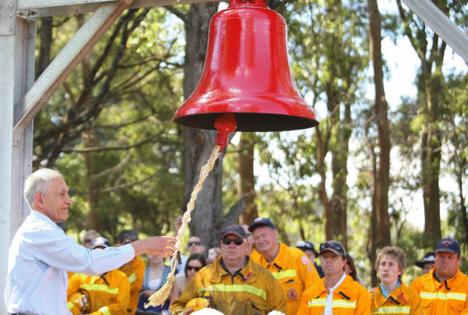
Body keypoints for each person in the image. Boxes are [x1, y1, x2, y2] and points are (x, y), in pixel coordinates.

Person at [4, 168, 176, 314]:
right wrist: (144, 245)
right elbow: (89, 262)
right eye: (62, 194)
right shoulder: (39, 231)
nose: (69, 201)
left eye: (68, 194)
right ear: (40, 199)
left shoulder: (42, 230)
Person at [170, 224, 287, 315]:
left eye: (237, 241)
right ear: (221, 246)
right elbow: (178, 305)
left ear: (246, 247)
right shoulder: (203, 276)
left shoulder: (264, 277)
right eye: (227, 241)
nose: (232, 245)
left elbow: (280, 310)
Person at [249, 217, 320, 315]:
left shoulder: (296, 256)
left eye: (264, 235)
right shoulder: (253, 264)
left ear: (275, 234)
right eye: (256, 237)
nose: (260, 240)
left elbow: (315, 290)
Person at [298, 240, 371, 315]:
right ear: (320, 259)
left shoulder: (360, 293)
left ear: (344, 261)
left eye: (334, 257)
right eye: (325, 257)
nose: (328, 260)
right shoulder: (310, 293)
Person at [67, 237, 131, 314]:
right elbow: (64, 296)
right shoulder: (80, 276)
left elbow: (120, 307)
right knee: (76, 297)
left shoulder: (121, 279)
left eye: (102, 253)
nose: (99, 257)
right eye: (96, 253)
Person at [411, 237, 468, 314]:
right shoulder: (418, 285)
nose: (445, 261)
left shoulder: (466, 285)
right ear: (435, 258)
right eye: (441, 256)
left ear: (458, 261)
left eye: (450, 257)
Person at [371, 246, 422, 314]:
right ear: (378, 269)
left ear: (400, 270)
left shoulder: (413, 298)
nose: (386, 268)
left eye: (391, 264)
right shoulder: (368, 298)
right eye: (383, 264)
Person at [117, 229, 146, 315]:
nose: (131, 246)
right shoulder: (113, 258)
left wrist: (118, 285)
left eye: (134, 243)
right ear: (119, 243)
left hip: (128, 306)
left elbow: (135, 286)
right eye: (127, 243)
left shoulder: (139, 262)